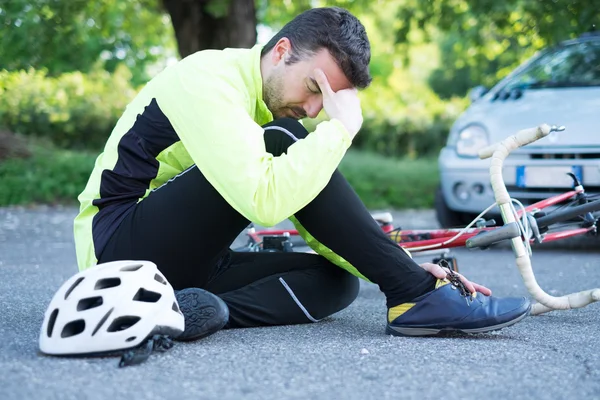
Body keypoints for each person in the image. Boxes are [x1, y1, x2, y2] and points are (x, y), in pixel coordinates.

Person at [73, 6, 530, 342]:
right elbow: (264, 200)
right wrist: (342, 129)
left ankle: (193, 312)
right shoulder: (208, 78)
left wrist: (397, 262)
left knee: (337, 279)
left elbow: (307, 210)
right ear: (281, 51)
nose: (315, 110)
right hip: (117, 249)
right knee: (286, 137)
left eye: (327, 102)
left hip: (187, 267)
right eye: (315, 88)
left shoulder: (262, 103)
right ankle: (415, 296)